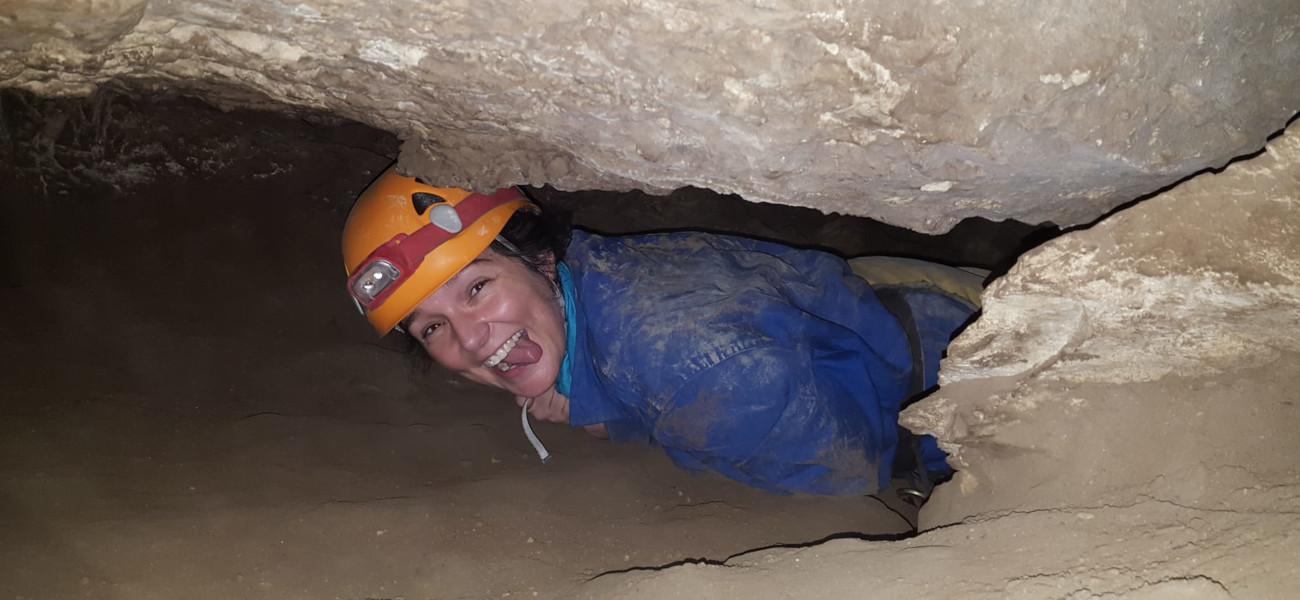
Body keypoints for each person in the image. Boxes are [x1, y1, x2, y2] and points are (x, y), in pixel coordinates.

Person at [341, 165, 982, 506]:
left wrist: (624, 420)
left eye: (476, 288)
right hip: (889, 304)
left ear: (538, 260)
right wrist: (599, 404)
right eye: (433, 328)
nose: (474, 340)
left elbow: (840, 475)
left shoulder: (682, 361)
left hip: (971, 358)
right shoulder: (597, 280)